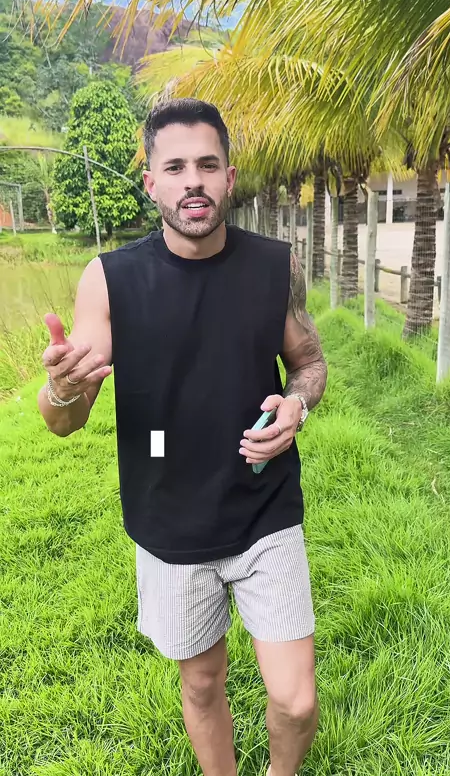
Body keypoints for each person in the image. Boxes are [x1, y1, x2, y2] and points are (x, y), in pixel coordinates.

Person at [37, 98, 328, 776]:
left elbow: (309, 363)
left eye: (207, 164)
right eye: (174, 167)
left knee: (296, 701)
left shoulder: (275, 267)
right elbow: (64, 420)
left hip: (264, 508)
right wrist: (62, 388)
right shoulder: (111, 280)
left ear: (229, 177)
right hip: (168, 519)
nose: (192, 181)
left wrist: (296, 404)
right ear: (151, 183)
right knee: (201, 683)